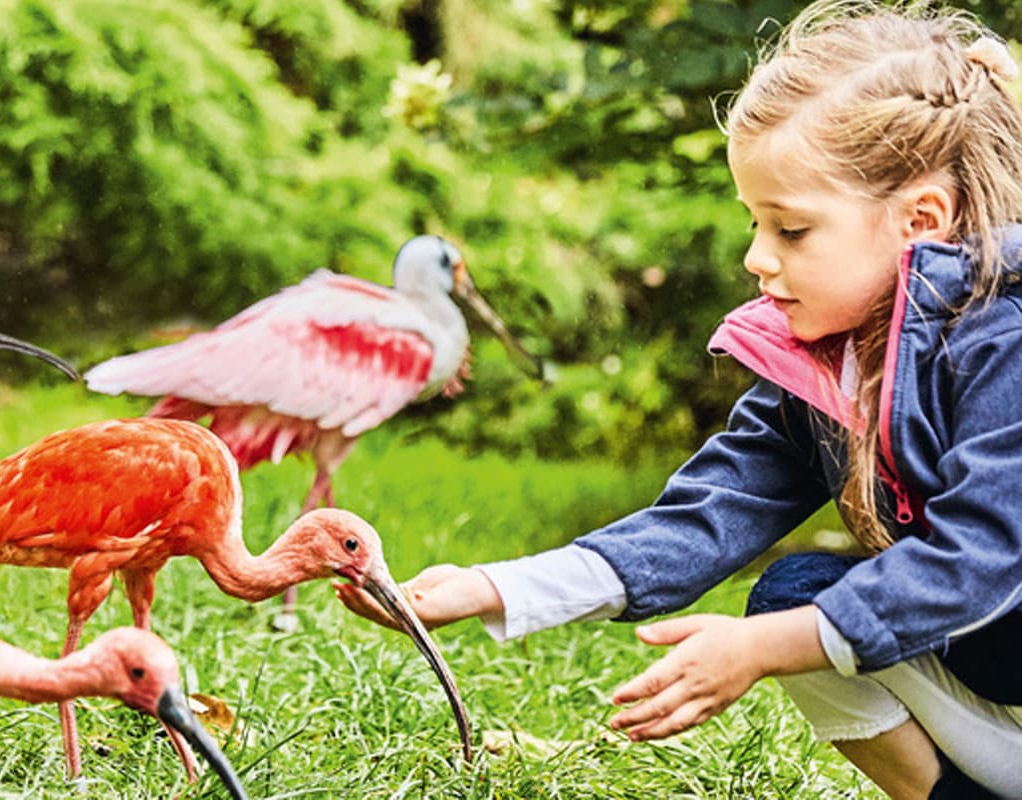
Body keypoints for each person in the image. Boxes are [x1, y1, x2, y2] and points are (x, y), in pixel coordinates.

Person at [334, 2, 1022, 798]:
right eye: (755, 222)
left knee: (790, 626)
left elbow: (985, 559)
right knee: (794, 597)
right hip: (991, 693)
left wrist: (763, 649)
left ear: (920, 222)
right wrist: (500, 587)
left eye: (791, 230)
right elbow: (710, 511)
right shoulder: (824, 362)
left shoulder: (1002, 337)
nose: (756, 258)